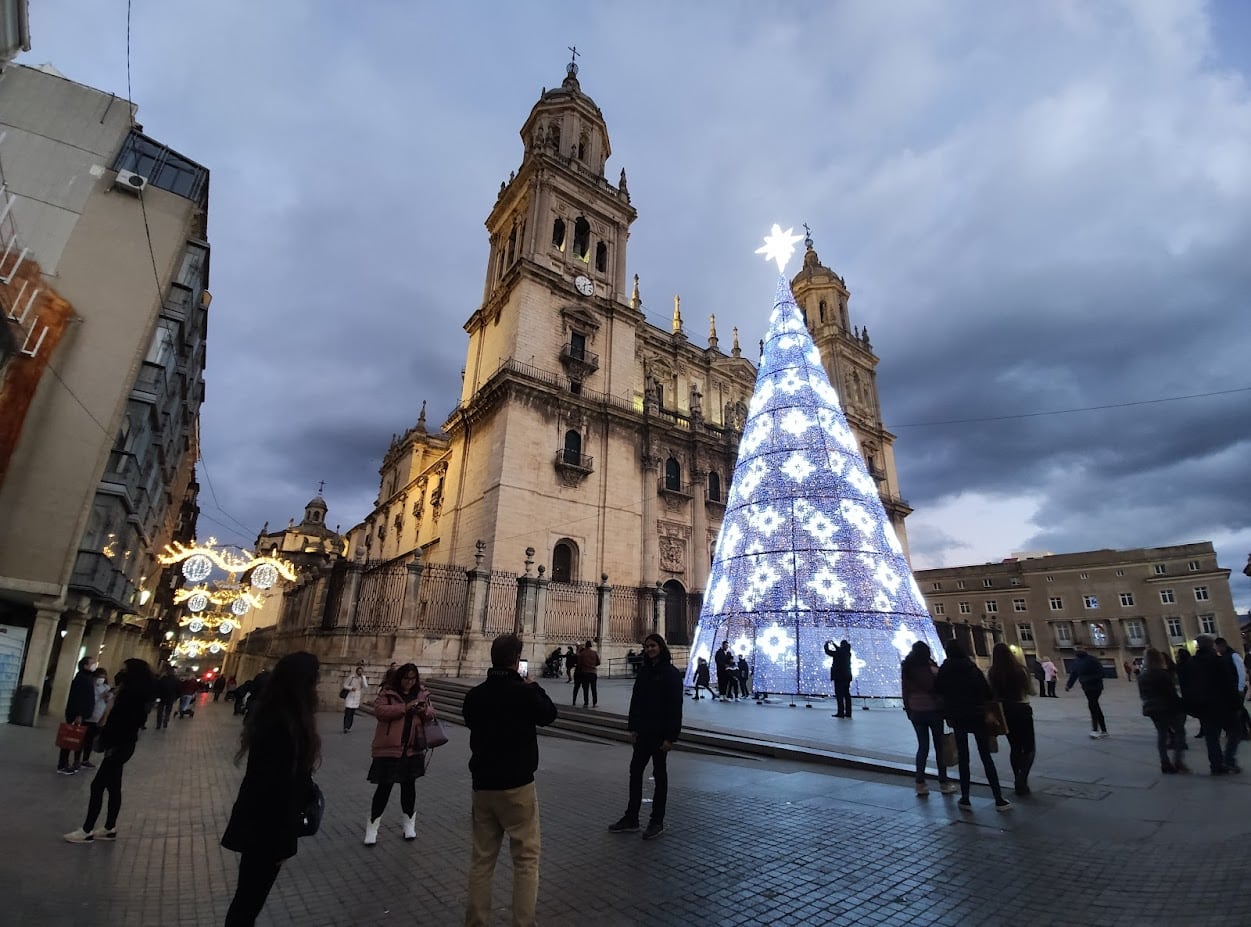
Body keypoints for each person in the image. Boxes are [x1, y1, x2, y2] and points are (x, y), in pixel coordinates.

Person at [462, 633, 558, 927]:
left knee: (482, 860)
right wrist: (532, 686)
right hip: (517, 786)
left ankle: (476, 922)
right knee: (526, 860)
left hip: (483, 786)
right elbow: (549, 715)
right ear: (517, 661)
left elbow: (470, 722)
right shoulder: (523, 693)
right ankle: (523, 922)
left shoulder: (474, 695)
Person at [221, 652, 321, 926]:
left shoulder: (276, 716)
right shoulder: (283, 725)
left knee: (247, 900)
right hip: (267, 829)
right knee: (248, 903)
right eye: (314, 679)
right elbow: (277, 788)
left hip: (261, 825)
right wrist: (282, 842)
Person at [63, 658, 156, 842]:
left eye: (124, 670)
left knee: (97, 785)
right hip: (124, 745)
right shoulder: (136, 693)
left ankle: (87, 830)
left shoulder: (131, 695)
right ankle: (109, 827)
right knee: (114, 786)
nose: (120, 673)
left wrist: (109, 741)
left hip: (119, 745)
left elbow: (122, 722)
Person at [608, 633, 684, 840]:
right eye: (646, 646)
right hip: (643, 734)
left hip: (660, 735)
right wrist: (633, 728)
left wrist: (671, 738)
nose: (649, 649)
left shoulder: (671, 674)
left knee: (660, 778)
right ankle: (631, 818)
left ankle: (656, 821)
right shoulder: (644, 672)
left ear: (661, 647)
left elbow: (675, 708)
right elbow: (636, 701)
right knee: (635, 773)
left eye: (653, 645)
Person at [934, 639, 1011, 812]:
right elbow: (987, 692)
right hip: (977, 716)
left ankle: (965, 798)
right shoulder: (971, 668)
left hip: (957, 717)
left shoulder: (944, 670)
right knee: (986, 757)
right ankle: (998, 799)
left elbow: (938, 691)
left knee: (963, 758)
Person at [364, 662, 435, 845]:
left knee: (409, 788)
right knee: (384, 788)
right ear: (400, 678)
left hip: (412, 748)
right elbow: (379, 711)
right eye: (406, 678)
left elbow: (431, 713)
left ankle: (409, 825)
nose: (409, 682)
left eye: (413, 679)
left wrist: (423, 710)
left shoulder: (421, 693)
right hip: (390, 748)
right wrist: (405, 708)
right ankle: (372, 828)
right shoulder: (388, 693)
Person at [901, 641, 955, 796]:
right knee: (939, 746)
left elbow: (904, 689)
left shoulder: (907, 667)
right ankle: (943, 782)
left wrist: (908, 709)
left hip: (916, 711)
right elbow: (940, 685)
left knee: (922, 747)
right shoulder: (930, 667)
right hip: (933, 710)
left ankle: (920, 783)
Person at [1180, 635, 1239, 775]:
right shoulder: (1218, 661)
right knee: (1235, 732)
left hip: (1204, 707)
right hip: (1222, 705)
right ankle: (1229, 759)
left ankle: (1216, 765)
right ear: (1211, 645)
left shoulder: (1190, 664)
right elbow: (1228, 684)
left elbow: (1185, 686)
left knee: (1211, 737)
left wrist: (1190, 706)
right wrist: (1237, 704)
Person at [988, 643, 1036, 796]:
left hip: (1004, 712)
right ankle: (1022, 779)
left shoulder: (993, 672)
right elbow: (1031, 691)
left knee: (1014, 747)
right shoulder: (1021, 670)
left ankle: (1018, 778)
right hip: (1021, 709)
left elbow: (991, 694)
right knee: (1029, 748)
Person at [1138, 648, 1188, 773]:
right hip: (1167, 707)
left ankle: (1165, 763)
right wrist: (1180, 705)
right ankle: (1178, 761)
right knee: (1179, 732)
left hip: (1152, 708)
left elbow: (1142, 695)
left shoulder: (1142, 675)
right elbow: (1170, 693)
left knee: (1162, 735)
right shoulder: (1162, 674)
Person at [58, 655, 98, 774]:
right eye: (92, 663)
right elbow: (78, 698)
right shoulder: (82, 678)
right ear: (85, 665)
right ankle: (62, 764)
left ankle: (66, 763)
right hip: (76, 714)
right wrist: (79, 714)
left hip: (81, 714)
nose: (94, 665)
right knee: (69, 738)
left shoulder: (87, 677)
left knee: (74, 739)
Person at [1065, 646, 1108, 738]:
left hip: (1095, 686)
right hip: (1086, 687)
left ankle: (1095, 729)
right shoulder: (1077, 662)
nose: (1078, 651)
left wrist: (1088, 679)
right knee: (1095, 706)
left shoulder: (1092, 660)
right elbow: (1074, 674)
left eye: (1080, 649)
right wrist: (1069, 685)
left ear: (1084, 650)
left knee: (1093, 706)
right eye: (1077, 649)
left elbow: (1102, 673)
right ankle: (1103, 730)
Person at [79, 666, 113, 768]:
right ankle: (77, 759)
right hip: (87, 716)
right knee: (81, 739)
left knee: (90, 740)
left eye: (103, 677)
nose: (101, 679)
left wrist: (107, 696)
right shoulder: (89, 686)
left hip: (98, 717)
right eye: (99, 677)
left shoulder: (106, 688)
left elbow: (108, 703)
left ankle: (85, 759)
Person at [826, 639, 854, 718]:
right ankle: (848, 713)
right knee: (847, 695)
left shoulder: (839, 653)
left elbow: (828, 652)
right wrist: (834, 644)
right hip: (847, 677)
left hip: (839, 677)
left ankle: (840, 712)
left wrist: (826, 645)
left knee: (839, 695)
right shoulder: (848, 653)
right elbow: (840, 650)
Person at [572, 639, 600, 708]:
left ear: (585, 646)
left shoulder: (582, 654)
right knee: (594, 688)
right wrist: (592, 666)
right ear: (591, 646)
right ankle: (594, 703)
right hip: (593, 672)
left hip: (585, 672)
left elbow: (579, 663)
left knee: (586, 689)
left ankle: (586, 703)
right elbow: (598, 662)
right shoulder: (594, 652)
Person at [343, 663, 368, 733]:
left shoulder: (363, 678)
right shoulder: (352, 677)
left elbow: (365, 686)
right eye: (359, 671)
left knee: (352, 713)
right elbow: (345, 685)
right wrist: (351, 688)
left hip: (357, 696)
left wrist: (363, 678)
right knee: (347, 712)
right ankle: (345, 726)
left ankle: (349, 726)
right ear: (357, 671)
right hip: (350, 695)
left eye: (361, 671)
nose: (359, 672)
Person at [154, 664, 181, 730]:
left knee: (160, 711)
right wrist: (176, 697)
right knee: (168, 710)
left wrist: (157, 696)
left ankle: (158, 724)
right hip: (170, 698)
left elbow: (158, 687)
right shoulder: (176, 680)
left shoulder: (163, 679)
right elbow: (178, 689)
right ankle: (166, 720)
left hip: (162, 697)